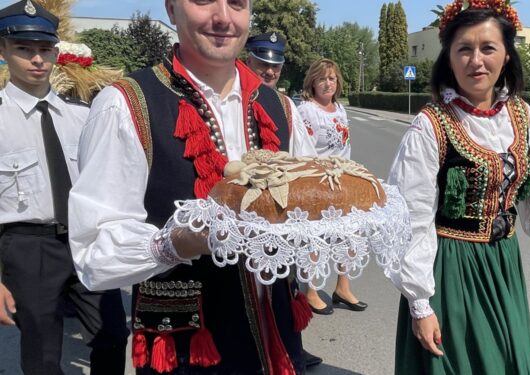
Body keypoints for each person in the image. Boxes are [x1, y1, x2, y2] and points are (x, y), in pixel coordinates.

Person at [68, 0, 316, 373]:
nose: (223, 17)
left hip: (275, 338)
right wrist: (173, 244)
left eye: (237, 3)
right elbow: (94, 251)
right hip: (187, 346)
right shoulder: (126, 104)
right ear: (171, 9)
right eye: (202, 0)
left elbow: (311, 209)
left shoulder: (281, 107)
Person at [386, 1, 530, 374]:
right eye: (464, 49)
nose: (476, 60)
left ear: (506, 55)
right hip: (450, 270)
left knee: (504, 360)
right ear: (449, 58)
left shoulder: (521, 116)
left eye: (488, 48)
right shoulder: (431, 124)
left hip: (503, 265)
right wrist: (421, 304)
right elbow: (412, 216)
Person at [0, 1, 129, 374]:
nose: (37, 59)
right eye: (24, 49)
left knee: (112, 335)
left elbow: (108, 183)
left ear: (56, 52)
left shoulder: (84, 116)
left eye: (44, 49)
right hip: (28, 247)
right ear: (4, 51)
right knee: (41, 351)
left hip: (86, 241)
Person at [245, 30, 324, 369]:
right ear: (247, 58)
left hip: (280, 218)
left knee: (284, 291)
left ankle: (291, 352)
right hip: (241, 219)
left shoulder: (286, 106)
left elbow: (306, 161)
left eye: (275, 66)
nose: (269, 71)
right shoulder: (231, 101)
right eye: (262, 63)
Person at [297, 58, 367, 315]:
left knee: (349, 234)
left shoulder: (339, 109)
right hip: (316, 182)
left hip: (342, 179)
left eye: (332, 78)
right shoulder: (306, 110)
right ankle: (310, 291)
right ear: (312, 82)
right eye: (322, 78)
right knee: (316, 237)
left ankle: (342, 287)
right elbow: (303, 151)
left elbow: (344, 147)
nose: (328, 83)